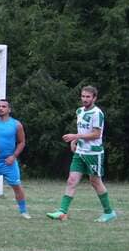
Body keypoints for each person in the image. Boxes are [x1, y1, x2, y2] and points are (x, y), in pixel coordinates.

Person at [46, 85, 117, 222]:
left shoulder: (97, 114)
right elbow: (82, 130)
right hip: (80, 152)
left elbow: (96, 134)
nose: (84, 99)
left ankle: (109, 212)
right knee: (71, 180)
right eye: (83, 96)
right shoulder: (79, 111)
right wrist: (76, 140)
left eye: (88, 97)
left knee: (95, 182)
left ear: (94, 98)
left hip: (93, 154)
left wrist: (75, 136)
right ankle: (62, 212)